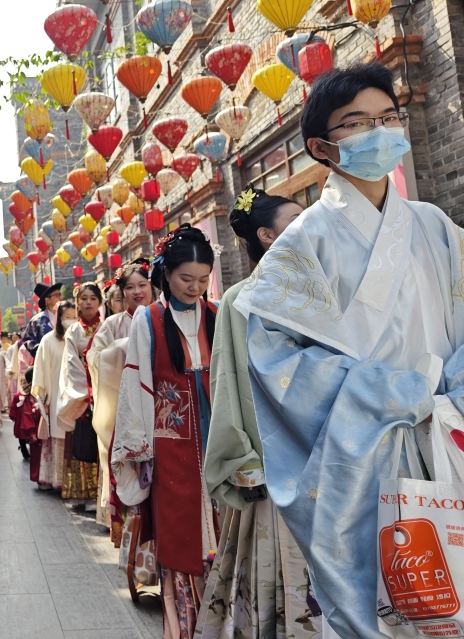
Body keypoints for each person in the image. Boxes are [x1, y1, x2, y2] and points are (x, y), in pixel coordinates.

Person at [235, 64, 464, 638]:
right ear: (322, 147)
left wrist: (451, 400)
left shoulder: (435, 226)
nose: (380, 132)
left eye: (389, 118)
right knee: (380, 608)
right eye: (358, 124)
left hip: (449, 433)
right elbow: (278, 366)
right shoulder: (300, 245)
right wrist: (399, 396)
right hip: (361, 455)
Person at [197, 188, 315, 638]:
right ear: (267, 235)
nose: (309, 225)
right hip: (279, 461)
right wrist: (242, 459)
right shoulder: (241, 299)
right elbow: (228, 382)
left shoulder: (329, 285)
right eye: (296, 219)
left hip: (340, 451)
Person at [113, 224, 218, 639]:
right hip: (169, 441)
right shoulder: (148, 319)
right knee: (179, 531)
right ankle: (185, 624)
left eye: (204, 280)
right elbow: (135, 386)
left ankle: (223, 617)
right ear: (166, 275)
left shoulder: (217, 315)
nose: (195, 288)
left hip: (216, 434)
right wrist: (139, 450)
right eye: (186, 279)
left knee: (223, 524)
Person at [85, 260, 154, 531]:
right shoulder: (112, 325)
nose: (137, 292)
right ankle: (125, 527)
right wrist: (122, 351)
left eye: (143, 285)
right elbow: (94, 357)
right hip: (121, 405)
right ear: (121, 292)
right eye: (130, 287)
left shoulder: (163, 316)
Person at [57, 283, 103, 507]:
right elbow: (71, 364)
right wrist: (86, 392)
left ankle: (99, 493)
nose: (88, 303)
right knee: (83, 440)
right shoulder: (73, 331)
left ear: (100, 302)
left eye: (93, 298)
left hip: (104, 388)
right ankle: (82, 492)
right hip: (84, 393)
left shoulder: (106, 326)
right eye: (84, 299)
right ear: (77, 303)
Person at [30, 300, 77, 491]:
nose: (71, 321)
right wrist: (45, 398)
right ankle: (55, 479)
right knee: (57, 437)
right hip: (56, 396)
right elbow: (40, 370)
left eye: (75, 317)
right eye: (67, 317)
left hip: (76, 397)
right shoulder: (48, 341)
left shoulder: (80, 338)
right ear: (58, 319)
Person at [21, 282, 63, 361]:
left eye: (61, 294)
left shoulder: (67, 315)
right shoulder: (37, 321)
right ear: (47, 300)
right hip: (46, 360)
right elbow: (28, 341)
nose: (61, 298)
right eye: (57, 295)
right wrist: (43, 349)